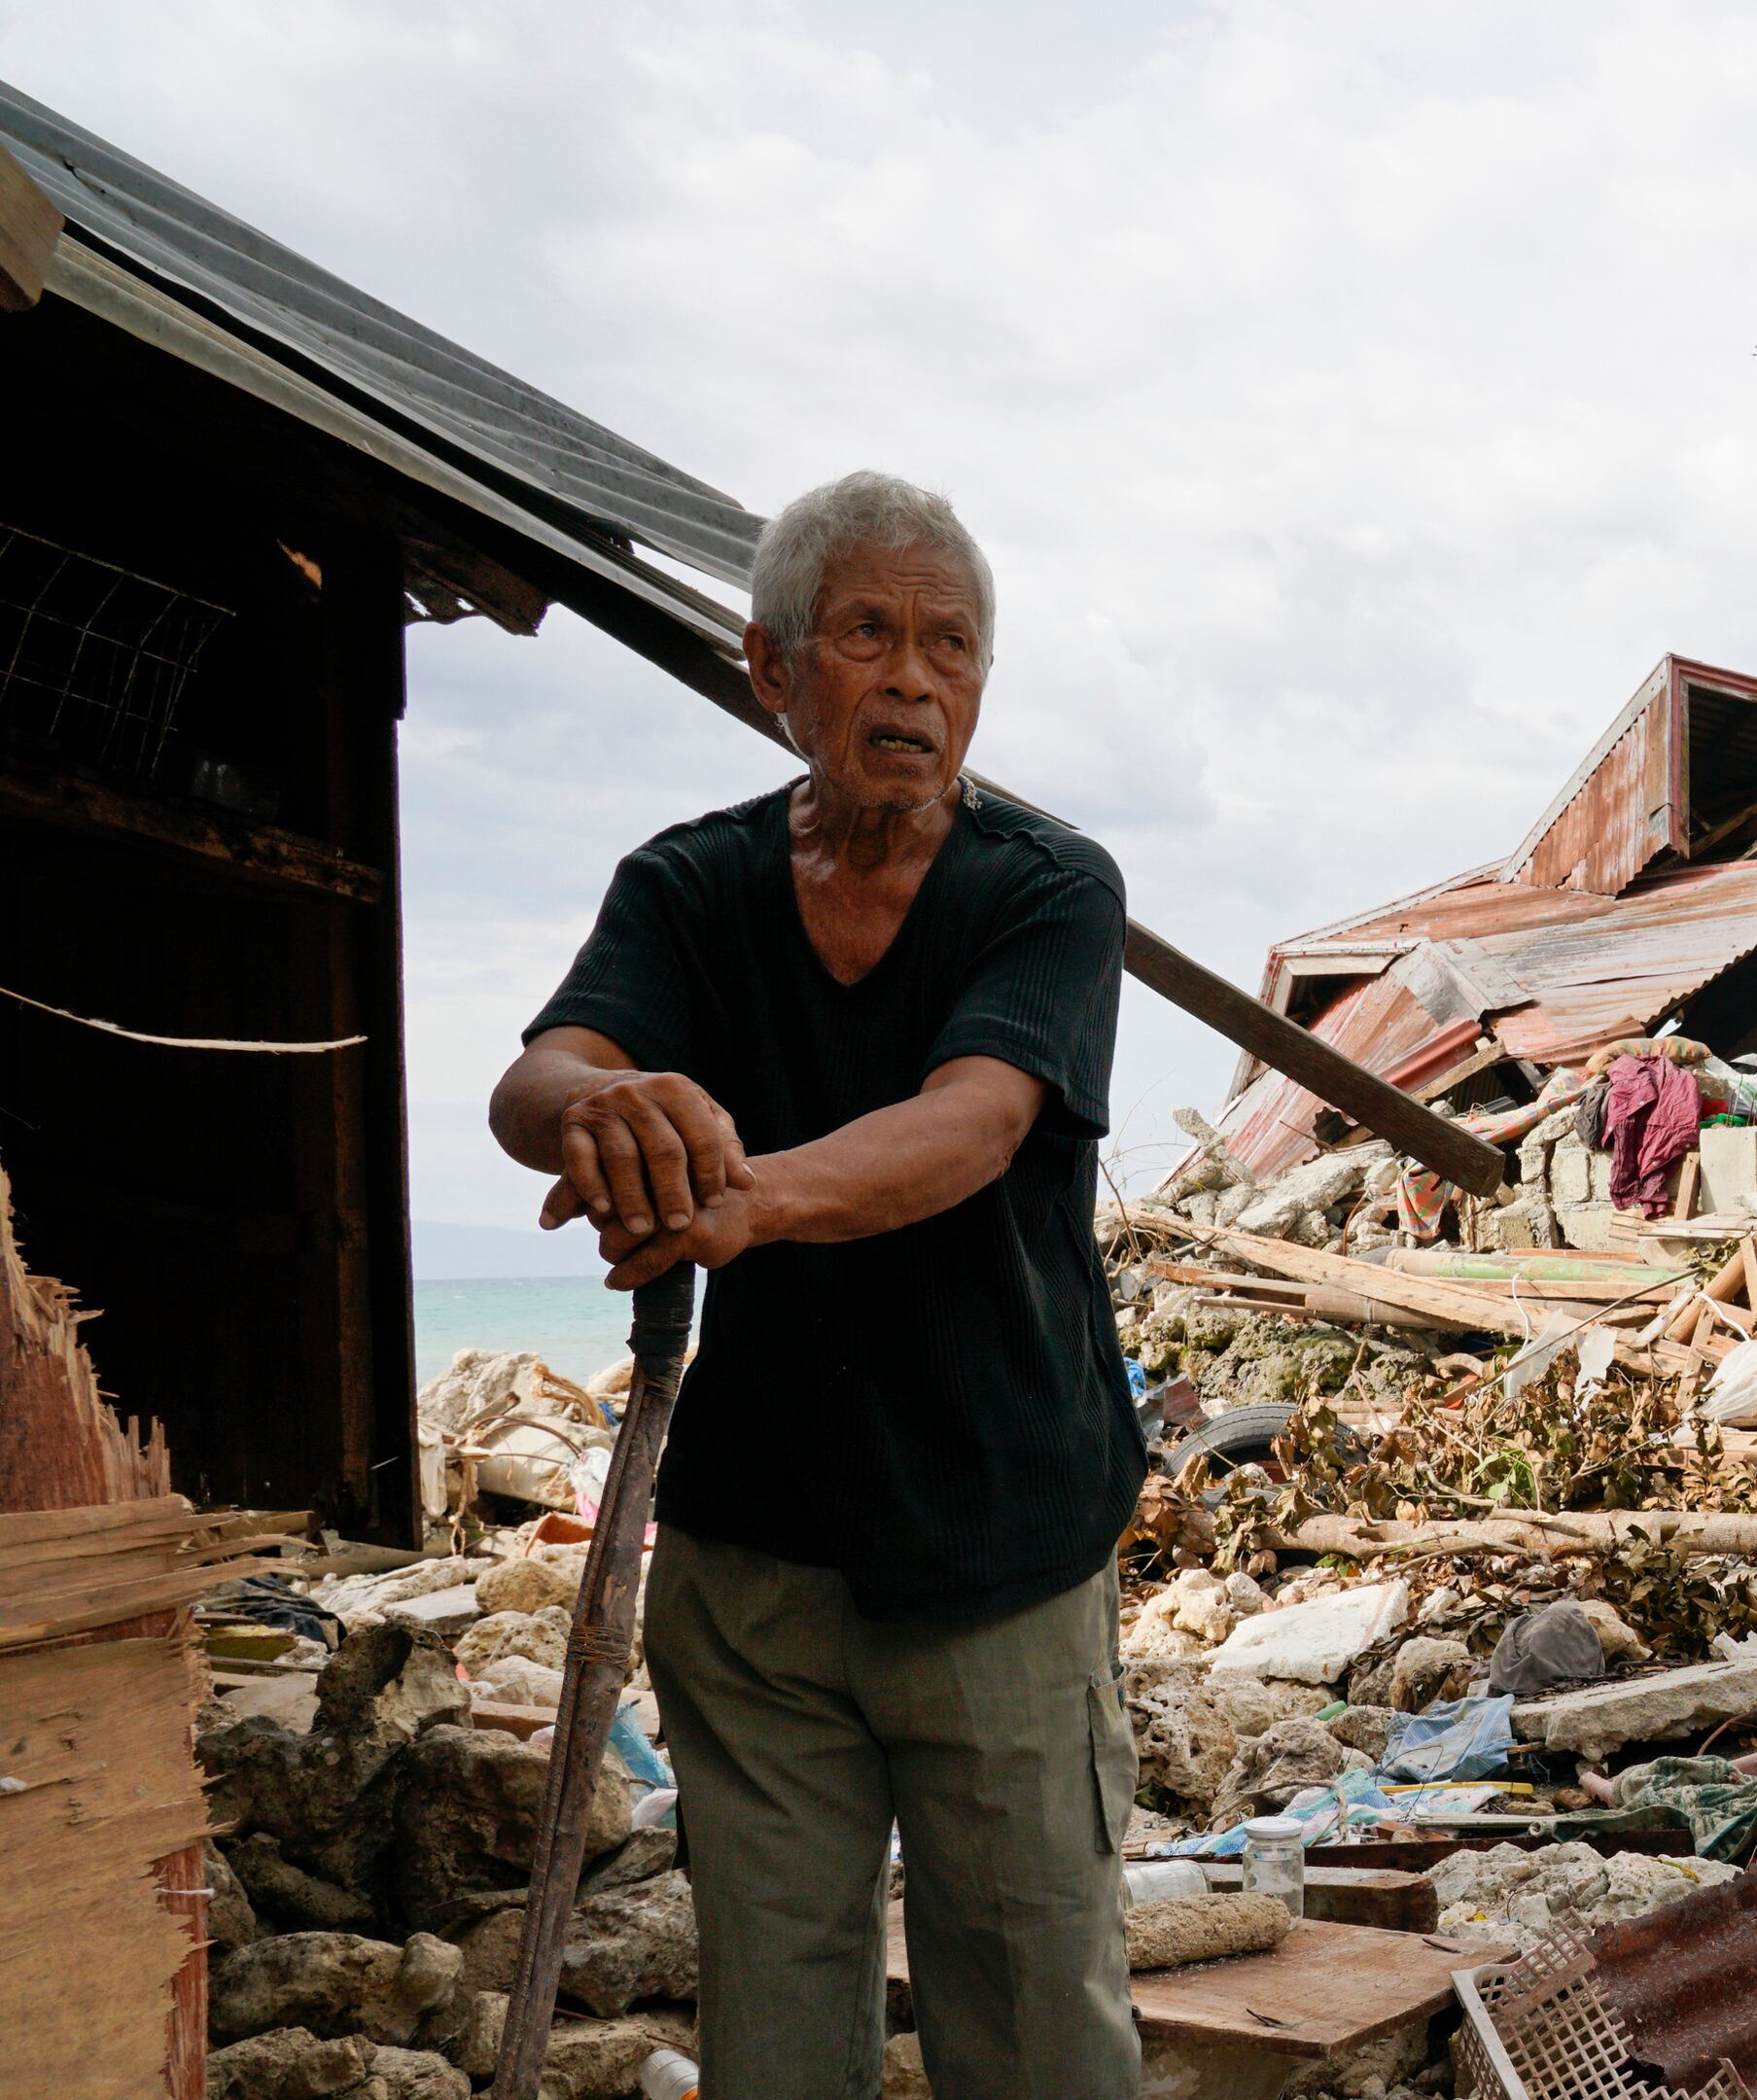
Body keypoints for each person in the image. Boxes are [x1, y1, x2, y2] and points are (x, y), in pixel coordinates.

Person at [489, 473, 1142, 2100]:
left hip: (996, 1549)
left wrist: (740, 1197)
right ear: (768, 668)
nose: (915, 681)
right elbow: (536, 1080)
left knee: (1039, 2027)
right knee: (774, 2023)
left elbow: (973, 1127)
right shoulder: (690, 886)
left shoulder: (1049, 888)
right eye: (867, 636)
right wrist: (604, 1110)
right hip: (755, 1562)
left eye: (952, 647)